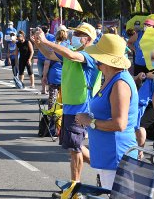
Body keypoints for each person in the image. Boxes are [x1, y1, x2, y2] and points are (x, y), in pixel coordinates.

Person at [33, 23, 100, 195]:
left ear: (89, 39)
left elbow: (70, 54)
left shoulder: (89, 55)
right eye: (75, 32)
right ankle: (105, 168)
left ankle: (74, 188)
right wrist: (39, 43)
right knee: (73, 145)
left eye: (80, 33)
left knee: (74, 148)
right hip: (70, 106)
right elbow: (50, 54)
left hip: (82, 107)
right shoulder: (71, 53)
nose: (75, 35)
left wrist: (47, 41)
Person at [75, 34, 138, 190]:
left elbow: (119, 124)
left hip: (115, 156)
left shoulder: (120, 84)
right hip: (108, 155)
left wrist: (90, 122)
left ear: (104, 60)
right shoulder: (112, 78)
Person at [42, 28, 66, 108]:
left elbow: (47, 63)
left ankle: (52, 117)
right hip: (66, 76)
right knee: (64, 99)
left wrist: (44, 76)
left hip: (54, 76)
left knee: (52, 98)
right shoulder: (68, 47)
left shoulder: (52, 47)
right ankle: (62, 117)